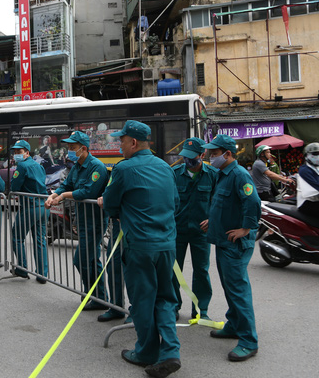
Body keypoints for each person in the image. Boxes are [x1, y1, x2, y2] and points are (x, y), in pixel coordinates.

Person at [98, 120, 181, 378]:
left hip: (140, 245)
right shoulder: (166, 168)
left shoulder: (123, 169)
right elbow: (174, 203)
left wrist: (109, 205)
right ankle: (170, 352)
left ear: (133, 143)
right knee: (166, 298)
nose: (119, 145)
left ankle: (146, 352)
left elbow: (110, 204)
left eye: (122, 141)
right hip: (167, 244)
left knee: (143, 300)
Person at [201, 134, 260, 362]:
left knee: (238, 291)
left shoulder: (238, 174)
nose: (209, 157)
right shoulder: (222, 174)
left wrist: (245, 229)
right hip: (223, 240)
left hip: (235, 244)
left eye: (214, 154)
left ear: (227, 154)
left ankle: (248, 341)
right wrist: (211, 221)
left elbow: (252, 202)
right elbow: (223, 204)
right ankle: (234, 324)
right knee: (229, 288)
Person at [45, 131, 111, 314]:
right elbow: (67, 184)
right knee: (91, 259)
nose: (69, 151)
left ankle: (96, 295)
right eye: (68, 147)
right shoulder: (77, 166)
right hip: (82, 219)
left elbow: (88, 192)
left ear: (84, 148)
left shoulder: (96, 167)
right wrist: (54, 195)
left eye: (73, 148)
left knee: (81, 259)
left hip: (94, 220)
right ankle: (97, 296)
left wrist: (63, 196)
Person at [171, 137, 218, 322]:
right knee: (174, 271)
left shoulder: (213, 174)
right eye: (185, 156)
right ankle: (173, 306)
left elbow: (218, 202)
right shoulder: (174, 173)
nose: (188, 160)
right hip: (178, 230)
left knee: (201, 271)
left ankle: (200, 309)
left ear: (202, 155)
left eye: (192, 156)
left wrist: (213, 219)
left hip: (201, 232)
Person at [10, 139, 49, 282]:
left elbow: (14, 187)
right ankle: (42, 274)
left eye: (19, 152)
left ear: (27, 152)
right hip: (43, 206)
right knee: (40, 241)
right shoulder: (39, 166)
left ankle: (22, 268)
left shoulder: (22, 166)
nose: (16, 154)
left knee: (17, 237)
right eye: (14, 152)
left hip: (30, 207)